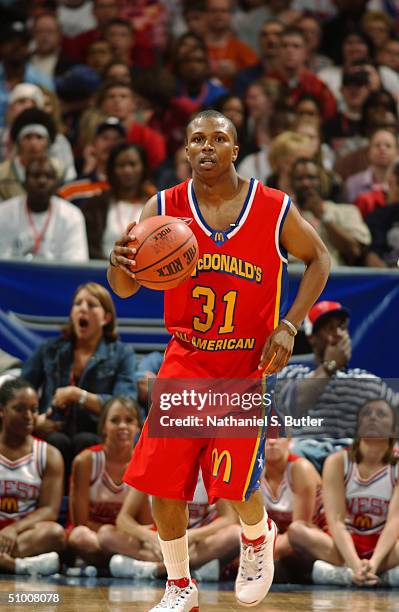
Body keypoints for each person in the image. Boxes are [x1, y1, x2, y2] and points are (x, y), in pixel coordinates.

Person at [107, 109, 330, 610]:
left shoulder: (272, 208)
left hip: (247, 364)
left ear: (235, 149)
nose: (206, 147)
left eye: (218, 138)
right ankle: (180, 587)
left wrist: (290, 324)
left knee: (234, 482)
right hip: (186, 358)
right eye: (196, 139)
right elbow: (123, 289)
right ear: (185, 151)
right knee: (165, 479)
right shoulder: (162, 207)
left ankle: (257, 535)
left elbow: (321, 259)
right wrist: (118, 264)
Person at [21, 282, 137, 478]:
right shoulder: (50, 349)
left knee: (85, 442)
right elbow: (20, 391)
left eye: (91, 305)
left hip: (97, 432)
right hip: (51, 428)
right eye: (77, 304)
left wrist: (79, 396)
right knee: (57, 442)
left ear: (106, 318)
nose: (83, 308)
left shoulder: (121, 353)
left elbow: (126, 404)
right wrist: (34, 421)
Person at [288, 398, 399, 587]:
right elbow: (336, 522)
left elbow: (394, 522)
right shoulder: (338, 461)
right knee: (297, 531)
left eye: (381, 414)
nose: (372, 418)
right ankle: (376, 576)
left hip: (385, 547)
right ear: (357, 425)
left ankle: (352, 574)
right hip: (344, 544)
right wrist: (356, 564)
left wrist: (373, 562)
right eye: (366, 414)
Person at [277, 300, 393, 472]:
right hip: (303, 459)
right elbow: (293, 406)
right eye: (329, 328)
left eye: (342, 327)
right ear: (312, 337)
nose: (338, 334)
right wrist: (329, 366)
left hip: (353, 461)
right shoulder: (292, 375)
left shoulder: (367, 381)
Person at [109, 469, 241, 582]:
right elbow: (122, 519)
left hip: (196, 545)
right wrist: (150, 537)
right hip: (159, 545)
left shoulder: (211, 468)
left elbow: (229, 519)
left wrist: (192, 536)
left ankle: (155, 569)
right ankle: (194, 570)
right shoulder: (152, 465)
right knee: (106, 535)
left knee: (236, 534)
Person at [0, 378, 65, 575]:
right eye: (19, 409)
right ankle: (18, 566)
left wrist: (14, 529)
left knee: (55, 533)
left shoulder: (49, 455)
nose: (28, 416)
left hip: (23, 534)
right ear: (2, 410)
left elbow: (49, 510)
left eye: (34, 409)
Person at [67, 396, 141, 567]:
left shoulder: (144, 463)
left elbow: (145, 523)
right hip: (93, 538)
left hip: (124, 539)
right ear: (103, 427)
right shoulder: (86, 461)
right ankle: (127, 565)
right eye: (115, 420)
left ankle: (112, 565)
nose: (122, 426)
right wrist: (111, 537)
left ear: (138, 427)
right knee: (80, 536)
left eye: (129, 420)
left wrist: (116, 538)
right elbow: (80, 522)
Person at [0, 155, 89, 262]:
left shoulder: (72, 216)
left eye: (48, 176)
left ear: (57, 184)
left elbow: (76, 266)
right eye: (36, 176)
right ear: (24, 183)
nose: (42, 181)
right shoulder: (4, 212)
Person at [81, 142, 156, 259]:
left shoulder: (156, 205)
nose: (127, 170)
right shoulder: (95, 205)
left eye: (132, 164)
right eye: (121, 165)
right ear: (111, 170)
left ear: (143, 167)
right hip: (102, 271)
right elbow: (89, 247)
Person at [291, 157, 371, 266]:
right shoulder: (282, 213)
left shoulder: (346, 211)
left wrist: (324, 216)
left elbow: (354, 250)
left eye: (311, 178)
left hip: (332, 277)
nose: (306, 183)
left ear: (321, 180)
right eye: (299, 178)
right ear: (292, 182)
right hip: (290, 276)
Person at [261, 436, 324, 563]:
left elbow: (298, 532)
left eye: (279, 436)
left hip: (318, 541)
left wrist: (254, 556)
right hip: (282, 548)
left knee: (296, 532)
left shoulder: (301, 468)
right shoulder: (252, 474)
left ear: (290, 441)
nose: (272, 441)